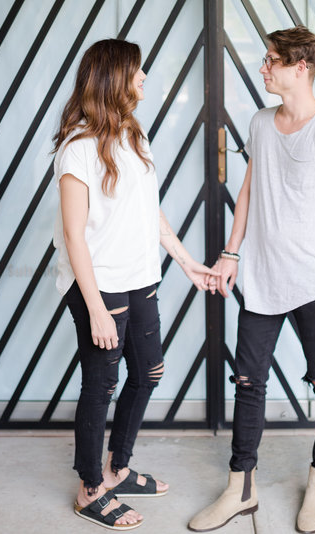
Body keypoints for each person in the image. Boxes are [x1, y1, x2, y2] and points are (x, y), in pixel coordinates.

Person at [188, 26, 315, 533]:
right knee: (248, 382)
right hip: (263, 280)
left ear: (300, 67)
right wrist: (230, 253)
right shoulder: (261, 123)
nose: (263, 68)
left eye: (272, 60)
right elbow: (248, 190)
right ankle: (239, 488)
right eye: (265, 59)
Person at [52, 38, 218, 531]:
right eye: (136, 70)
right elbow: (74, 236)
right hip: (98, 285)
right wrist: (96, 309)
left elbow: (149, 213)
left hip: (141, 277)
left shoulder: (133, 137)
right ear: (112, 79)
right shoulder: (77, 149)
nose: (143, 77)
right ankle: (89, 489)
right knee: (101, 384)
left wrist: (186, 262)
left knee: (148, 373)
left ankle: (117, 468)